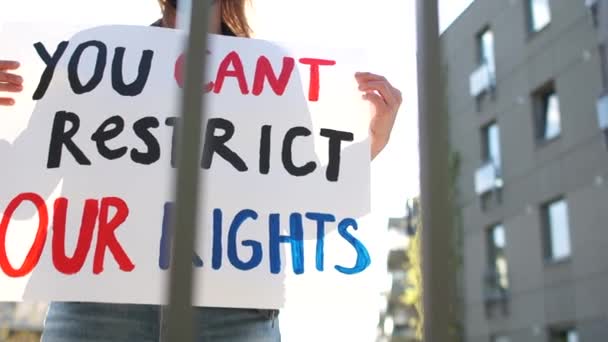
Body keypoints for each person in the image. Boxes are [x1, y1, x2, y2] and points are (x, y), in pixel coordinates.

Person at [0, 0, 402, 341]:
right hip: (97, 309)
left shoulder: (270, 73)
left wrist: (371, 143)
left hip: (233, 315)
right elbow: (19, 197)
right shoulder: (94, 56)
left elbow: (301, 215)